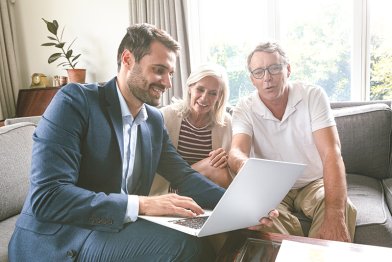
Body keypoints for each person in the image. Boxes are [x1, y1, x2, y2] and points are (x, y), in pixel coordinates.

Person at [8, 24, 276, 261]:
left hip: (113, 226)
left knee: (206, 237)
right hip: (61, 236)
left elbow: (184, 176)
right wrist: (142, 204)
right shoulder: (75, 102)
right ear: (127, 59)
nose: (168, 83)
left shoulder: (152, 121)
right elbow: (48, 197)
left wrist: (243, 208)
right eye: (159, 70)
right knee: (185, 248)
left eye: (170, 73)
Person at [228, 41, 357, 242]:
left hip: (314, 182)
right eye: (259, 72)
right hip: (272, 184)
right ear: (252, 79)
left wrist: (335, 215)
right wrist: (246, 165)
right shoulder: (244, 108)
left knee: (341, 208)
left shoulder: (312, 95)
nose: (267, 78)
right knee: (255, 216)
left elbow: (331, 153)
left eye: (274, 68)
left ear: (288, 69)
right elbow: (236, 152)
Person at [150, 63, 233, 196]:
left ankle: (239, 207)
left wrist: (225, 159)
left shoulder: (225, 123)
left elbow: (230, 169)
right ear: (190, 88)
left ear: (219, 96)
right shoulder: (165, 116)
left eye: (213, 93)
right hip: (169, 190)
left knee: (218, 167)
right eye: (200, 89)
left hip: (206, 190)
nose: (204, 98)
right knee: (213, 167)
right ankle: (239, 205)